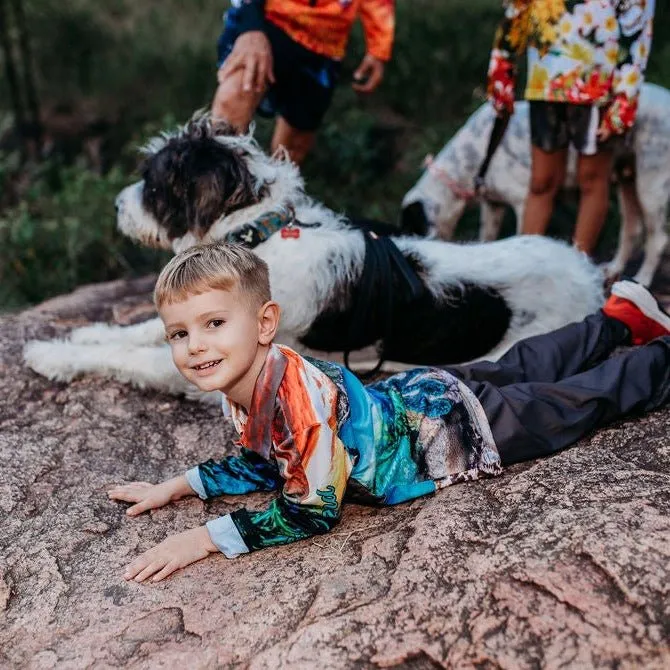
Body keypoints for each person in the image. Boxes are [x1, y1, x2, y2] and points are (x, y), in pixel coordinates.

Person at [108, 243, 670, 583]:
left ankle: (657, 356)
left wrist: (205, 538)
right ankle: (619, 318)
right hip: (422, 392)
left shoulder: (295, 398)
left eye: (213, 324)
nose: (195, 347)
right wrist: (183, 484)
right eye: (179, 333)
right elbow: (270, 461)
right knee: (525, 363)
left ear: (264, 323)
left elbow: (312, 507)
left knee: (576, 400)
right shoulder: (251, 381)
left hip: (457, 431)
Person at [487, 0, 655, 255]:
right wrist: (502, 70)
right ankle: (523, 267)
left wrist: (625, 100)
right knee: (541, 182)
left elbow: (639, 26)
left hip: (599, 83)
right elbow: (517, 11)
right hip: (544, 81)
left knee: (591, 180)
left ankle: (578, 271)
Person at [211, 0, 395, 165]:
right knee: (235, 96)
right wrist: (250, 24)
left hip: (325, 40)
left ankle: (275, 198)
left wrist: (378, 49)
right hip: (269, 17)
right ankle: (211, 184)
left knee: (293, 146)